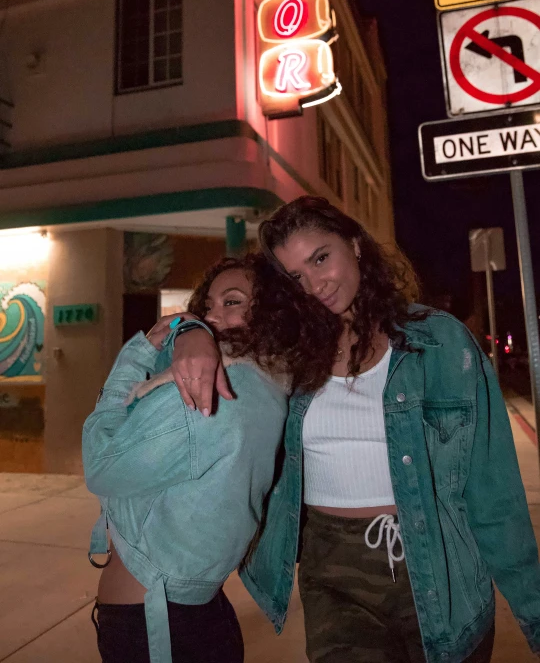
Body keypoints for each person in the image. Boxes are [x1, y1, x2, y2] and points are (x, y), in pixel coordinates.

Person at [170, 196, 540, 663]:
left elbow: (494, 491)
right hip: (334, 575)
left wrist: (533, 612)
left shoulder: (439, 342)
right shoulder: (284, 353)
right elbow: (207, 324)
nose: (315, 285)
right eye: (296, 277)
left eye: (320, 257)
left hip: (440, 572)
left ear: (355, 245)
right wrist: (192, 330)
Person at [82, 252, 341, 663]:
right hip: (190, 612)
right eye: (207, 306)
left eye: (232, 301)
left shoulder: (211, 390)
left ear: (270, 313)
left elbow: (100, 464)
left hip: (156, 627)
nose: (213, 316)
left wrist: (134, 357)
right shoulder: (264, 383)